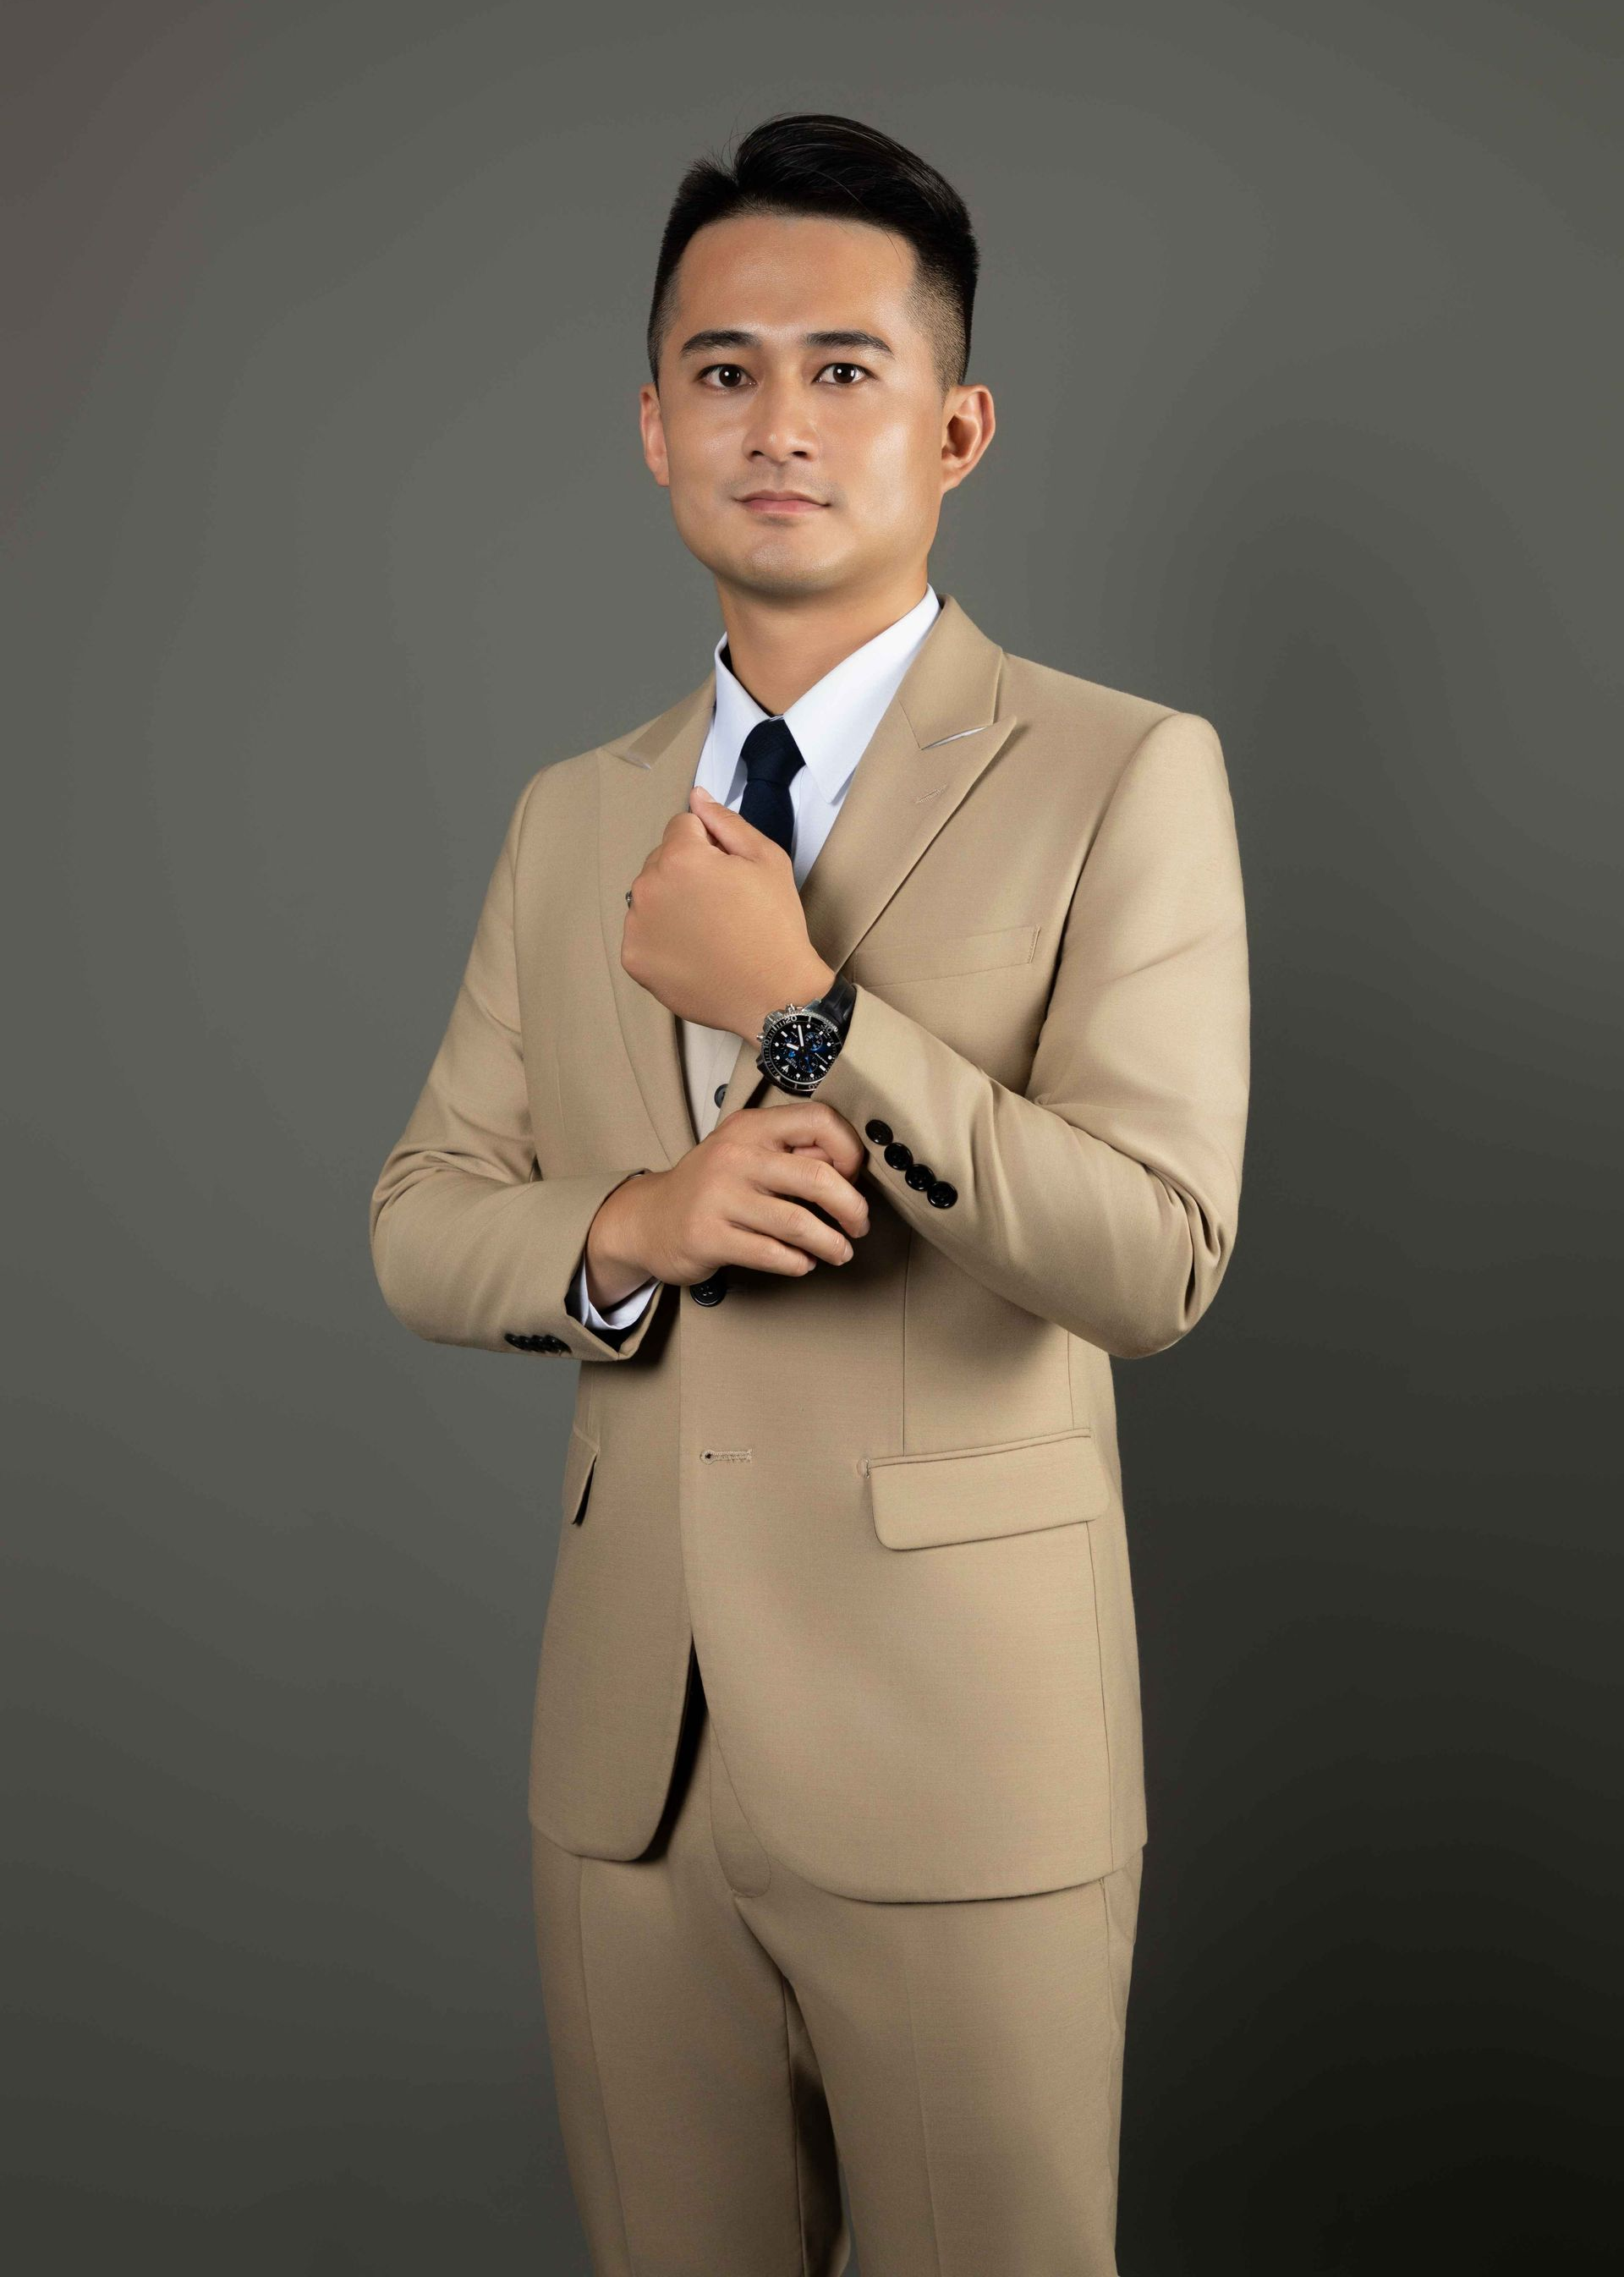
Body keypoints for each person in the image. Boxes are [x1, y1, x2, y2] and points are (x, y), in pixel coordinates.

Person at [369, 109, 1249, 2277]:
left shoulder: (1125, 771)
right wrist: (632, 1228)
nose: (779, 422)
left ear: (956, 428)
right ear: (653, 427)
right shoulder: (569, 816)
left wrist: (810, 1016)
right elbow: (423, 1213)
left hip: (964, 1754)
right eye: (725, 370)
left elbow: (1155, 1255)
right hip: (633, 1773)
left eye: (844, 369)